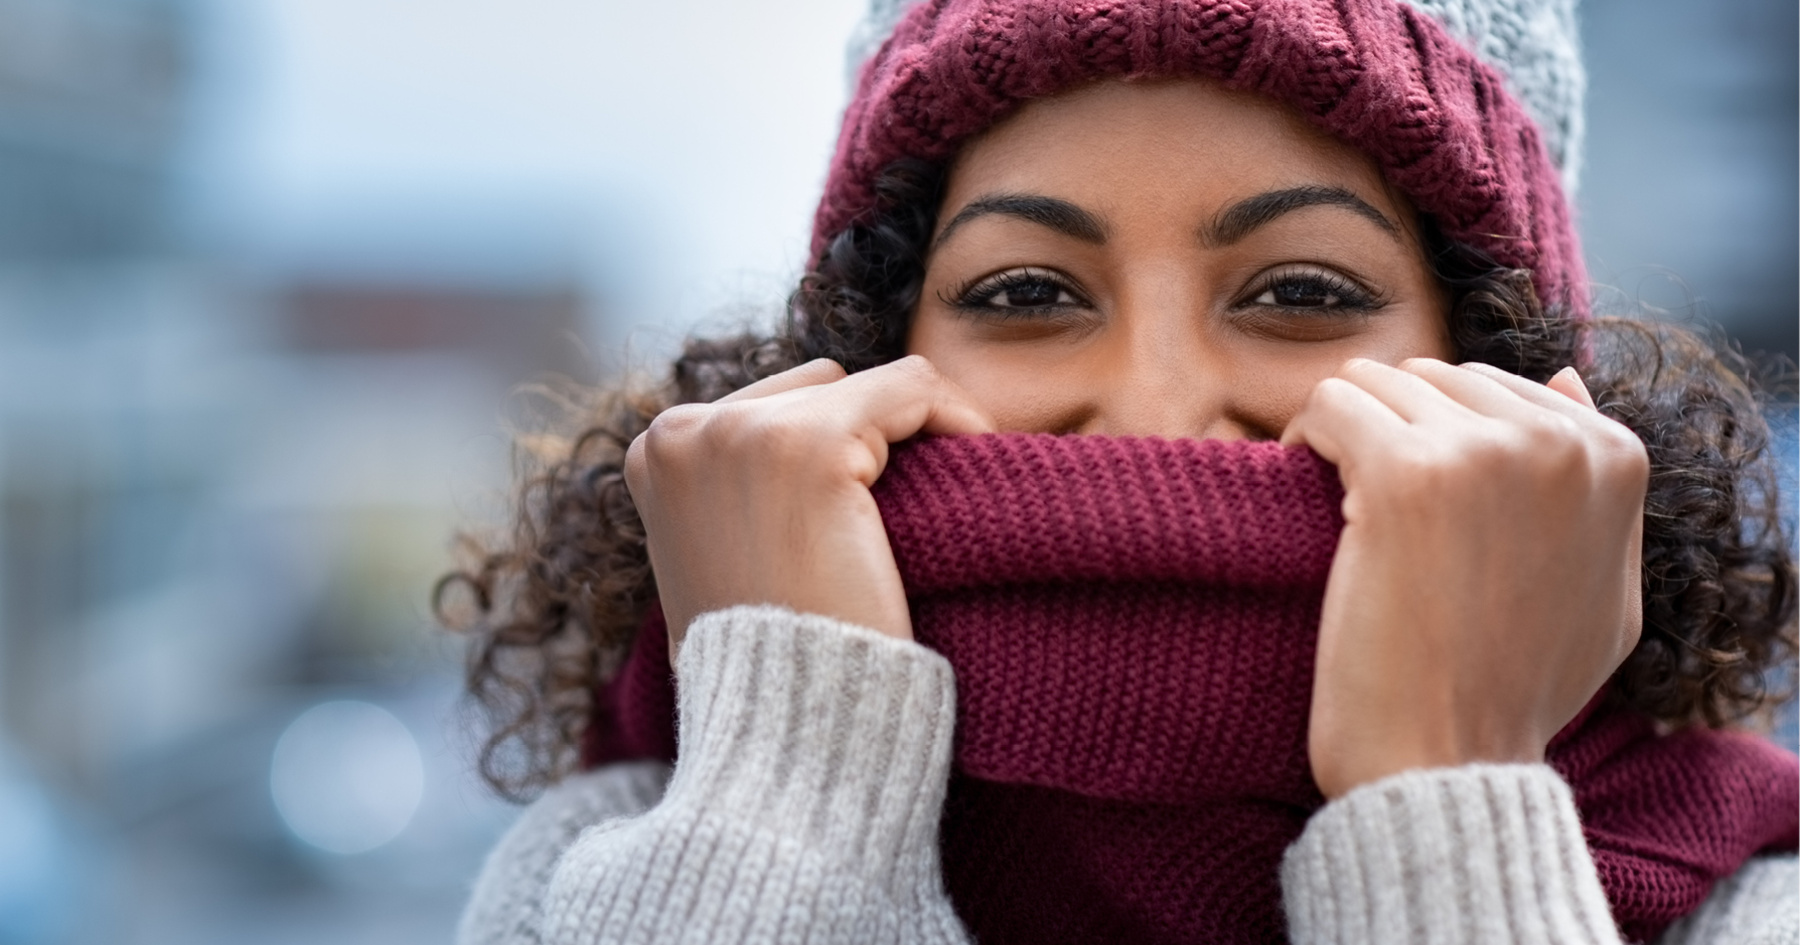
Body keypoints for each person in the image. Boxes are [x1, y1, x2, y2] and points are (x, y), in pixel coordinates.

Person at [440, 1, 1799, 942]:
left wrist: (1443, 794)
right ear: (868, 351)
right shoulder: (596, 869)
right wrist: (788, 778)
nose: (1154, 409)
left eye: (1302, 290)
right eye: (1028, 291)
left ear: (1492, 367)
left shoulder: (1749, 907)